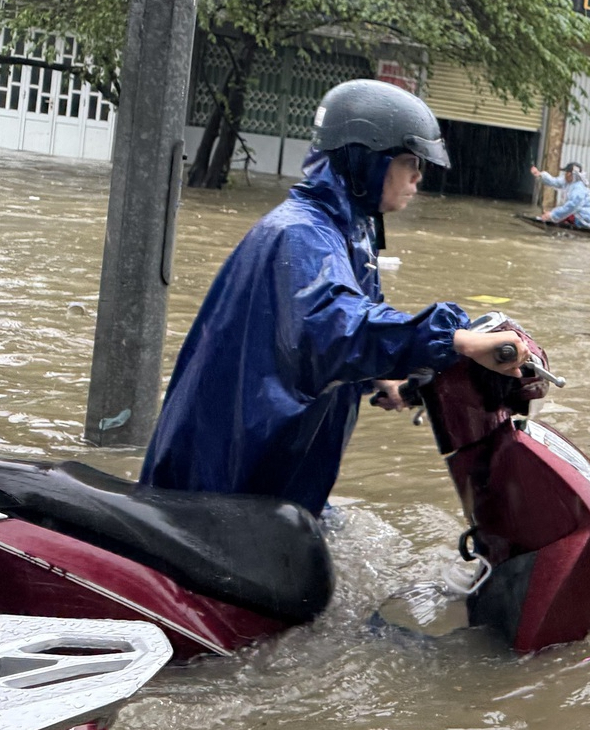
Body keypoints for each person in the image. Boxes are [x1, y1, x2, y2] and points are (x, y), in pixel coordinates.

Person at [141, 80, 527, 517]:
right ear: (366, 161)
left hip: (276, 476)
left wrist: (381, 378)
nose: (419, 175)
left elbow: (342, 334)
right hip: (225, 479)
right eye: (407, 161)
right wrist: (455, 339)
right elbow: (330, 329)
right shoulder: (302, 233)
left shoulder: (352, 229)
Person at [533, 162, 590, 227]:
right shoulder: (568, 182)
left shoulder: (578, 188)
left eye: (566, 172)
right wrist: (540, 174)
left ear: (570, 174)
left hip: (584, 220)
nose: (564, 175)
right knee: (559, 215)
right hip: (578, 214)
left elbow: (571, 206)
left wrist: (552, 215)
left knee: (560, 216)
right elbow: (553, 181)